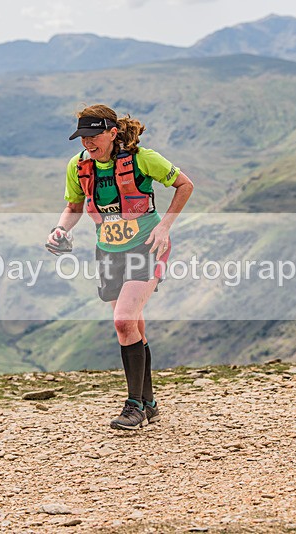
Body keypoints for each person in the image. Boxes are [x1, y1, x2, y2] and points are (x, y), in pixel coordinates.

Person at [46, 104, 194, 430]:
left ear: (113, 133)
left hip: (146, 247)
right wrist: (61, 229)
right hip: (108, 252)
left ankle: (134, 407)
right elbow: (73, 206)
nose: (87, 143)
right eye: (82, 137)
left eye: (93, 135)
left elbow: (185, 184)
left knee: (123, 321)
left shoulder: (143, 159)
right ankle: (150, 402)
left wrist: (165, 226)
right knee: (132, 327)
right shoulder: (78, 166)